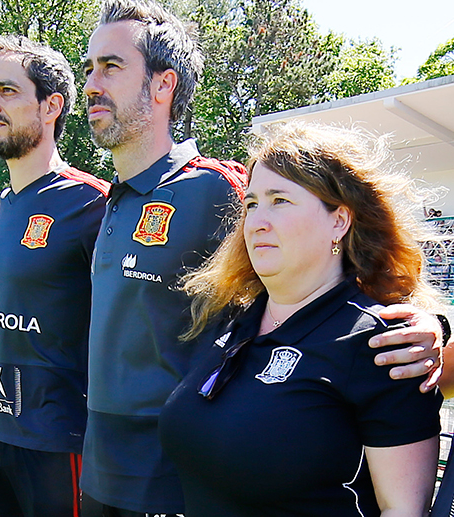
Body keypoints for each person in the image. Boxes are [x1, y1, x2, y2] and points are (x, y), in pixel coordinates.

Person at [79, 1, 447, 515]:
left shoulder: (211, 186)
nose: (256, 219)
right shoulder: (109, 204)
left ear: (163, 85)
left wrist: (430, 323)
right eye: (252, 205)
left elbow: (353, 301)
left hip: (161, 486)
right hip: (108, 474)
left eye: (112, 65)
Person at [160, 121, 443, 516]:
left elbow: (403, 510)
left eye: (281, 200)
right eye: (252, 203)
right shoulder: (234, 324)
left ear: (339, 221)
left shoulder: (383, 344)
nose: (257, 220)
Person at [0, 35, 109, 517]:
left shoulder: (91, 202)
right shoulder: (7, 205)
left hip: (61, 444)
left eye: (8, 91)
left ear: (51, 105)